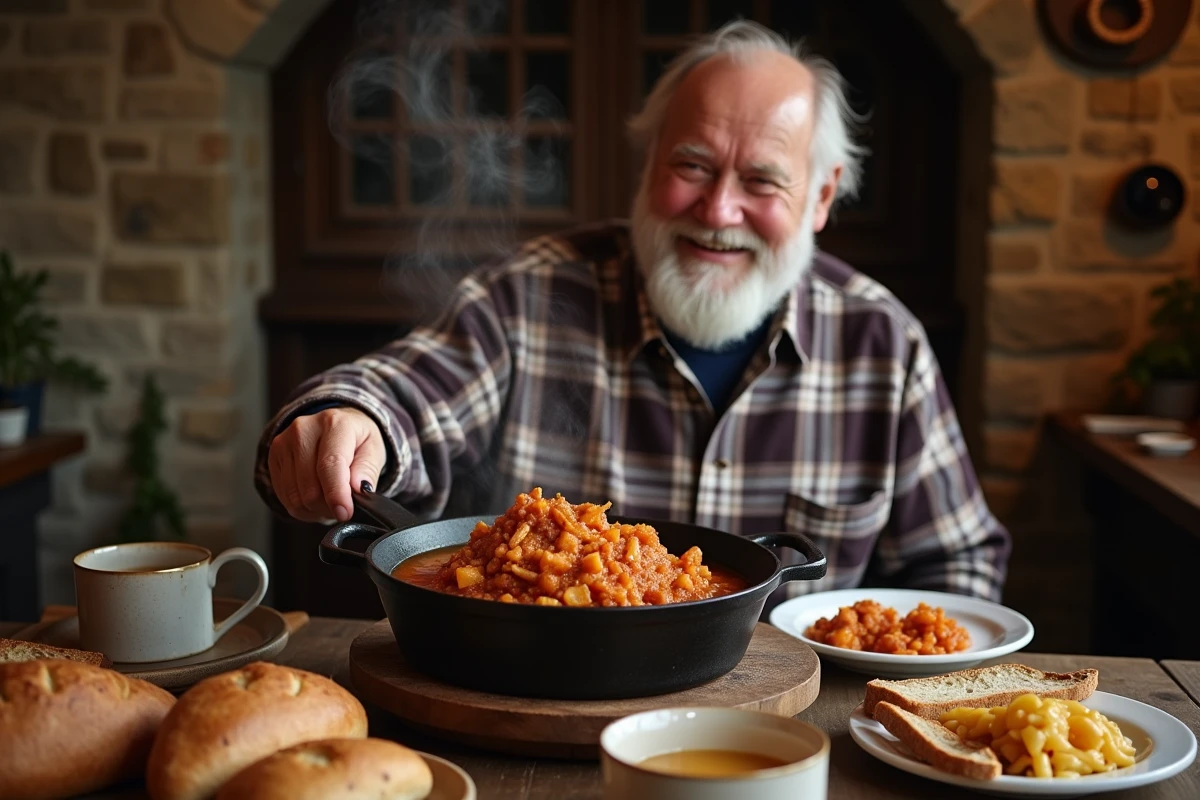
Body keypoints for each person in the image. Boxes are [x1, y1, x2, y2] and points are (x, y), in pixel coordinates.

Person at [256, 21, 1011, 603]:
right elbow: (409, 394)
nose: (719, 209)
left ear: (819, 196)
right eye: (691, 165)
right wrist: (351, 420)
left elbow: (957, 562)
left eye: (762, 181)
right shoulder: (531, 296)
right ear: (648, 164)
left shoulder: (884, 344)